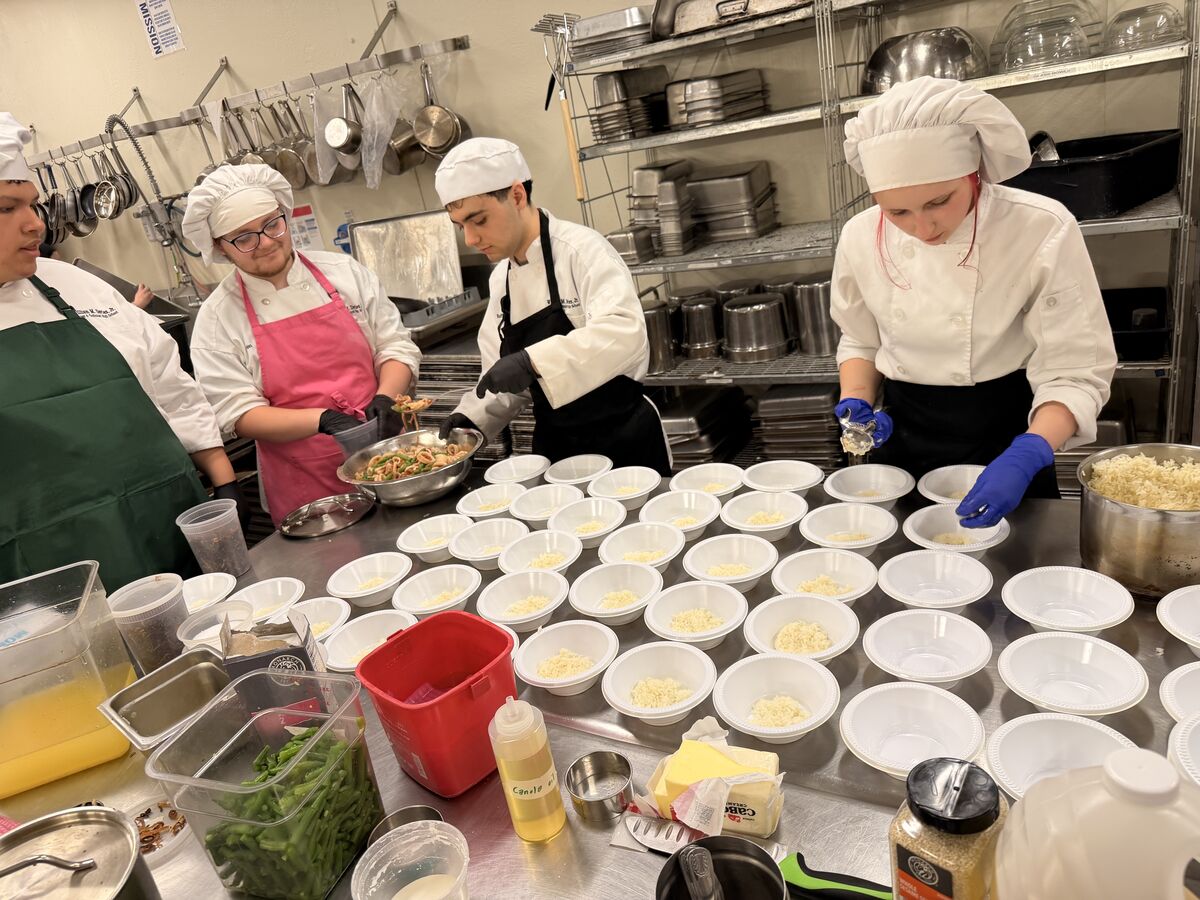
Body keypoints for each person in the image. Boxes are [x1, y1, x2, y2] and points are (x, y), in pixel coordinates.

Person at [830, 77, 1116, 527]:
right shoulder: (859, 236)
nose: (923, 228)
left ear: (974, 172)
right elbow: (861, 341)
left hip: (1010, 432)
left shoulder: (1039, 226)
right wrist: (858, 405)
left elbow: (1075, 369)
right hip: (904, 433)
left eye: (939, 201)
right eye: (897, 212)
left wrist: (1029, 453)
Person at [0, 114, 243, 588]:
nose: (35, 224)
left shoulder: (73, 285)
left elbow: (167, 382)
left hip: (168, 530)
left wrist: (223, 478)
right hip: (48, 576)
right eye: (7, 208)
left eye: (33, 205)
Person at [184, 164, 422, 525]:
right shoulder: (217, 320)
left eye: (272, 224)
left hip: (391, 453)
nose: (265, 242)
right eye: (244, 238)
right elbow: (239, 414)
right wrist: (321, 420)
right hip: (308, 487)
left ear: (285, 215)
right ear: (220, 247)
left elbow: (394, 346)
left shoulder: (345, 273)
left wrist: (386, 397)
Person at [434, 138, 671, 474]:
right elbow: (501, 378)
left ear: (517, 195)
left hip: (625, 442)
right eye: (461, 226)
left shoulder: (581, 251)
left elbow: (624, 334)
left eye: (479, 220)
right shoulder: (501, 279)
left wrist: (533, 361)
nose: (470, 239)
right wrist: (472, 418)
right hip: (556, 452)